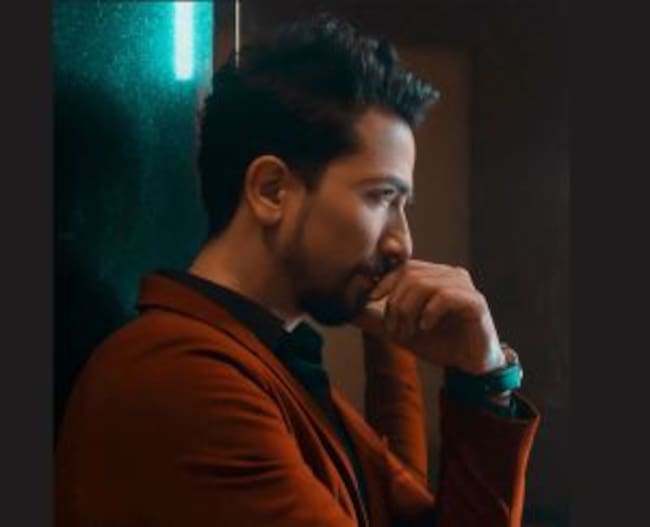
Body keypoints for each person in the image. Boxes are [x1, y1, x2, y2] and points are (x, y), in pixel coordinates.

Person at [55, 14, 539, 527]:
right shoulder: (184, 378)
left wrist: (483, 379)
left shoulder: (264, 359)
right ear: (271, 191)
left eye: (403, 205)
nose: (403, 242)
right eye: (380, 197)